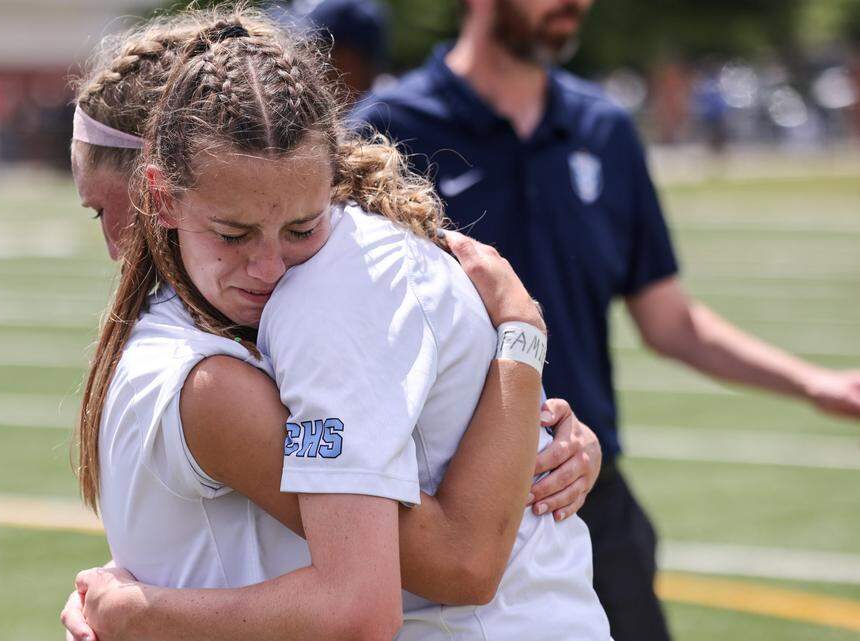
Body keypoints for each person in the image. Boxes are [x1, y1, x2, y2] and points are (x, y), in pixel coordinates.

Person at [61, 9, 609, 641]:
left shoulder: (317, 299)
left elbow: (434, 573)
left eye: (300, 228)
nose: (269, 267)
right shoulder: (223, 328)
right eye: (234, 234)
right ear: (164, 195)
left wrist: (139, 614)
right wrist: (522, 373)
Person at [352, 1, 860, 639]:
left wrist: (815, 384)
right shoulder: (384, 131)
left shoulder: (606, 128)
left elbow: (670, 319)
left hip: (590, 495)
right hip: (452, 501)